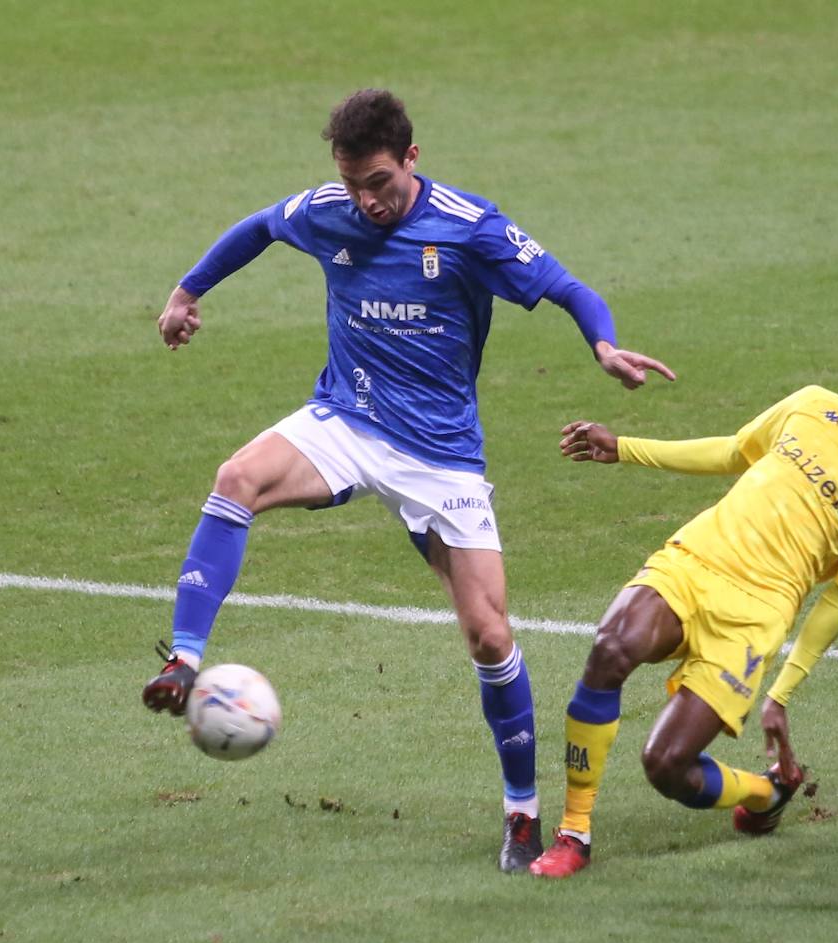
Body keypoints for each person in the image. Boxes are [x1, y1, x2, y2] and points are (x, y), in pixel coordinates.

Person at [142, 88, 675, 873]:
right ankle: (184, 658)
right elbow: (258, 228)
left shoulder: (469, 228)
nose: (368, 201)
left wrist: (603, 344)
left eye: (381, 183)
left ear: (413, 159)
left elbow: (566, 286)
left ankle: (523, 815)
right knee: (238, 477)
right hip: (347, 420)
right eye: (355, 184)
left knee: (490, 635)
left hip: (440, 458)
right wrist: (187, 293)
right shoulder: (331, 209)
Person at [528, 305, 838, 877]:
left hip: (755, 615)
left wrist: (783, 694)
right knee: (610, 649)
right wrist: (622, 446)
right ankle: (574, 832)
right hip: (697, 560)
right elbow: (732, 451)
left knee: (668, 767)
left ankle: (766, 794)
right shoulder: (811, 405)